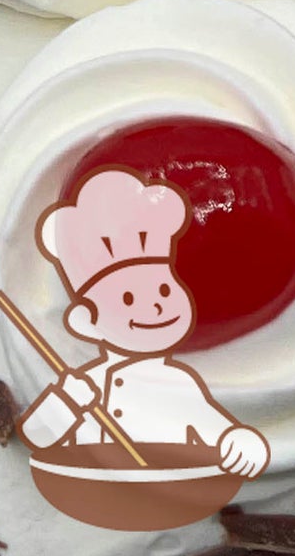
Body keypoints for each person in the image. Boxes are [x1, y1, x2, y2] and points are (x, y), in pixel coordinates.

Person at [16, 167, 270, 478]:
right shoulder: (88, 383)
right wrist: (68, 401)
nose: (154, 306)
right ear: (86, 321)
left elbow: (220, 431)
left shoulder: (179, 384)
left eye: (164, 289)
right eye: (127, 299)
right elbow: (37, 435)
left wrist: (239, 442)